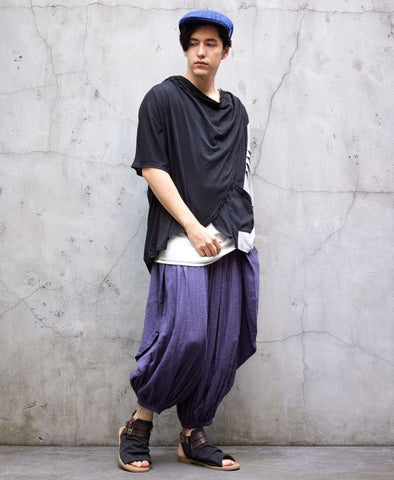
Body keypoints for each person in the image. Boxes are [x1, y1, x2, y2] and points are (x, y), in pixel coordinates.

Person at [118, 9, 259, 473]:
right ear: (185, 49)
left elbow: (241, 176)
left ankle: (193, 433)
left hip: (230, 238)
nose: (201, 52)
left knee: (222, 343)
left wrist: (242, 235)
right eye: (194, 43)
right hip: (182, 237)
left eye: (211, 44)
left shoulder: (236, 110)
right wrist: (193, 227)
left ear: (225, 52)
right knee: (186, 336)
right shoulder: (161, 99)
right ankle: (138, 425)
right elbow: (152, 167)